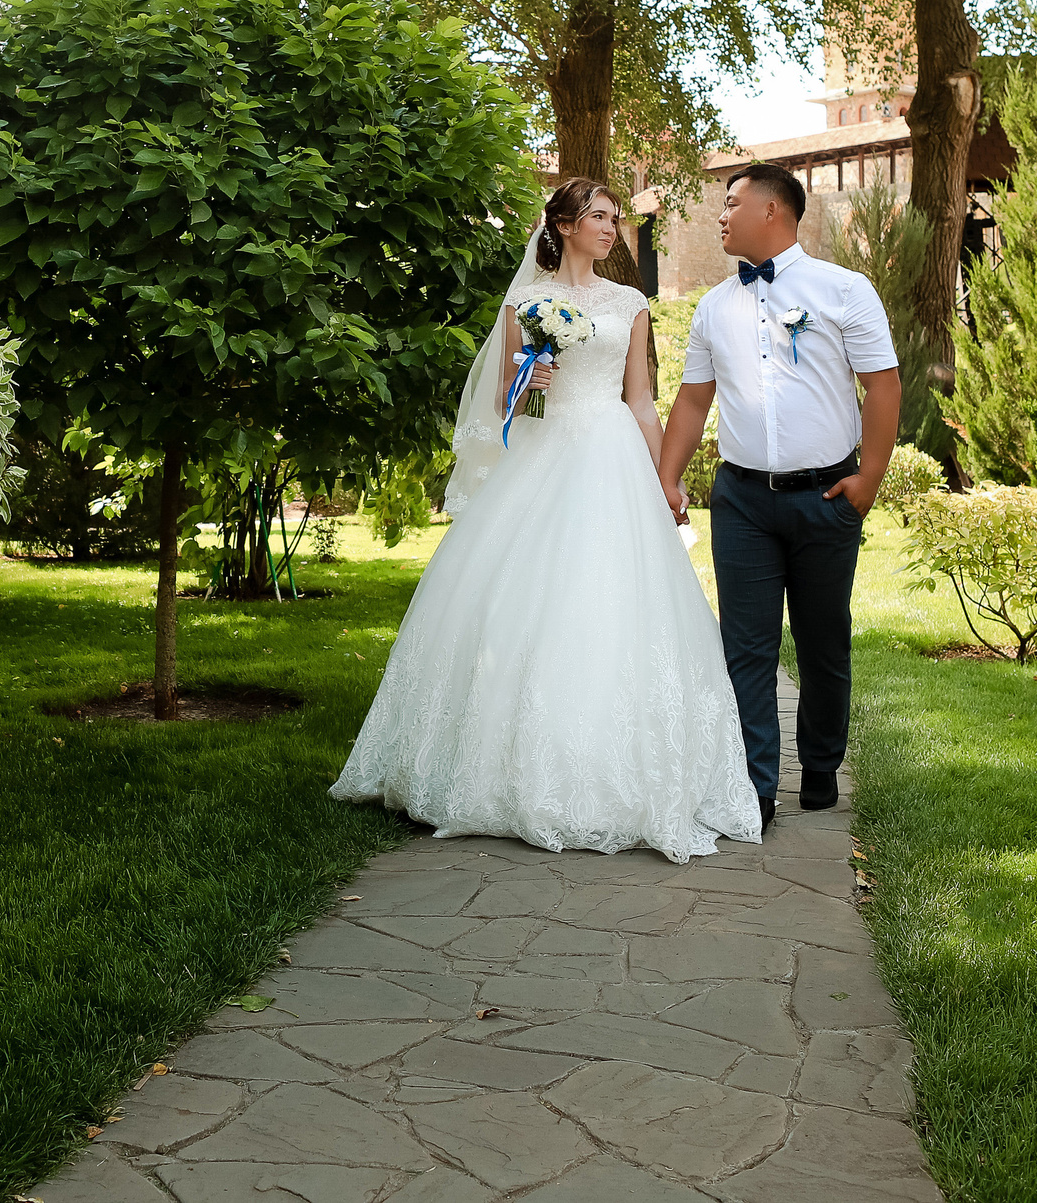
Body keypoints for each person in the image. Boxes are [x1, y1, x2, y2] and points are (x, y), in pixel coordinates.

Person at [330, 178, 760, 861]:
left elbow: (643, 401)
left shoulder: (631, 302)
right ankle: (504, 768)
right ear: (560, 226)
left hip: (612, 455)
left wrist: (663, 480)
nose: (611, 227)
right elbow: (507, 400)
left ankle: (614, 771)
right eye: (598, 216)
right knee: (528, 602)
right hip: (544, 453)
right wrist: (527, 384)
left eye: (615, 218)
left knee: (616, 604)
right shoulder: (526, 303)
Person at [658, 164, 900, 831]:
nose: (721, 215)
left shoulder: (844, 290)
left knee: (823, 642)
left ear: (772, 210)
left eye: (731, 203)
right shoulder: (713, 306)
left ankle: (819, 768)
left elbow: (883, 385)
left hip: (826, 496)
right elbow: (693, 399)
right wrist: (668, 477)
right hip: (740, 500)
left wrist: (868, 478)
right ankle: (755, 786)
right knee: (746, 646)